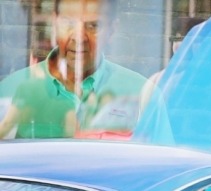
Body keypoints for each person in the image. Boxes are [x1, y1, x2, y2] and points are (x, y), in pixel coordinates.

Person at [0, 0, 147, 138]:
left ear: (112, 29)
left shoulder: (142, 93)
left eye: (94, 25)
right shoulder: (10, 90)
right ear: (54, 23)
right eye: (68, 23)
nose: (79, 38)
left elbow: (160, 161)